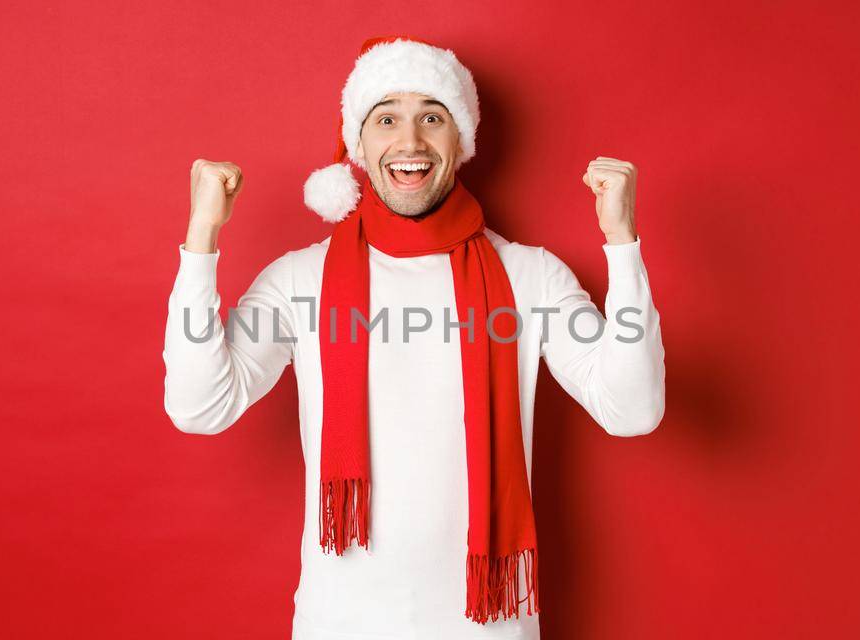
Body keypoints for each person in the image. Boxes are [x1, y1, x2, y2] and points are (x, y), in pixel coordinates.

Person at [162, 35, 666, 640]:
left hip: (490, 626)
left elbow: (633, 411)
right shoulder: (301, 279)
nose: (409, 142)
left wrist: (623, 246)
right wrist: (201, 241)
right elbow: (198, 407)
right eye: (386, 119)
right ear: (359, 143)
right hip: (340, 624)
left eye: (432, 116)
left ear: (462, 139)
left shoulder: (532, 276)